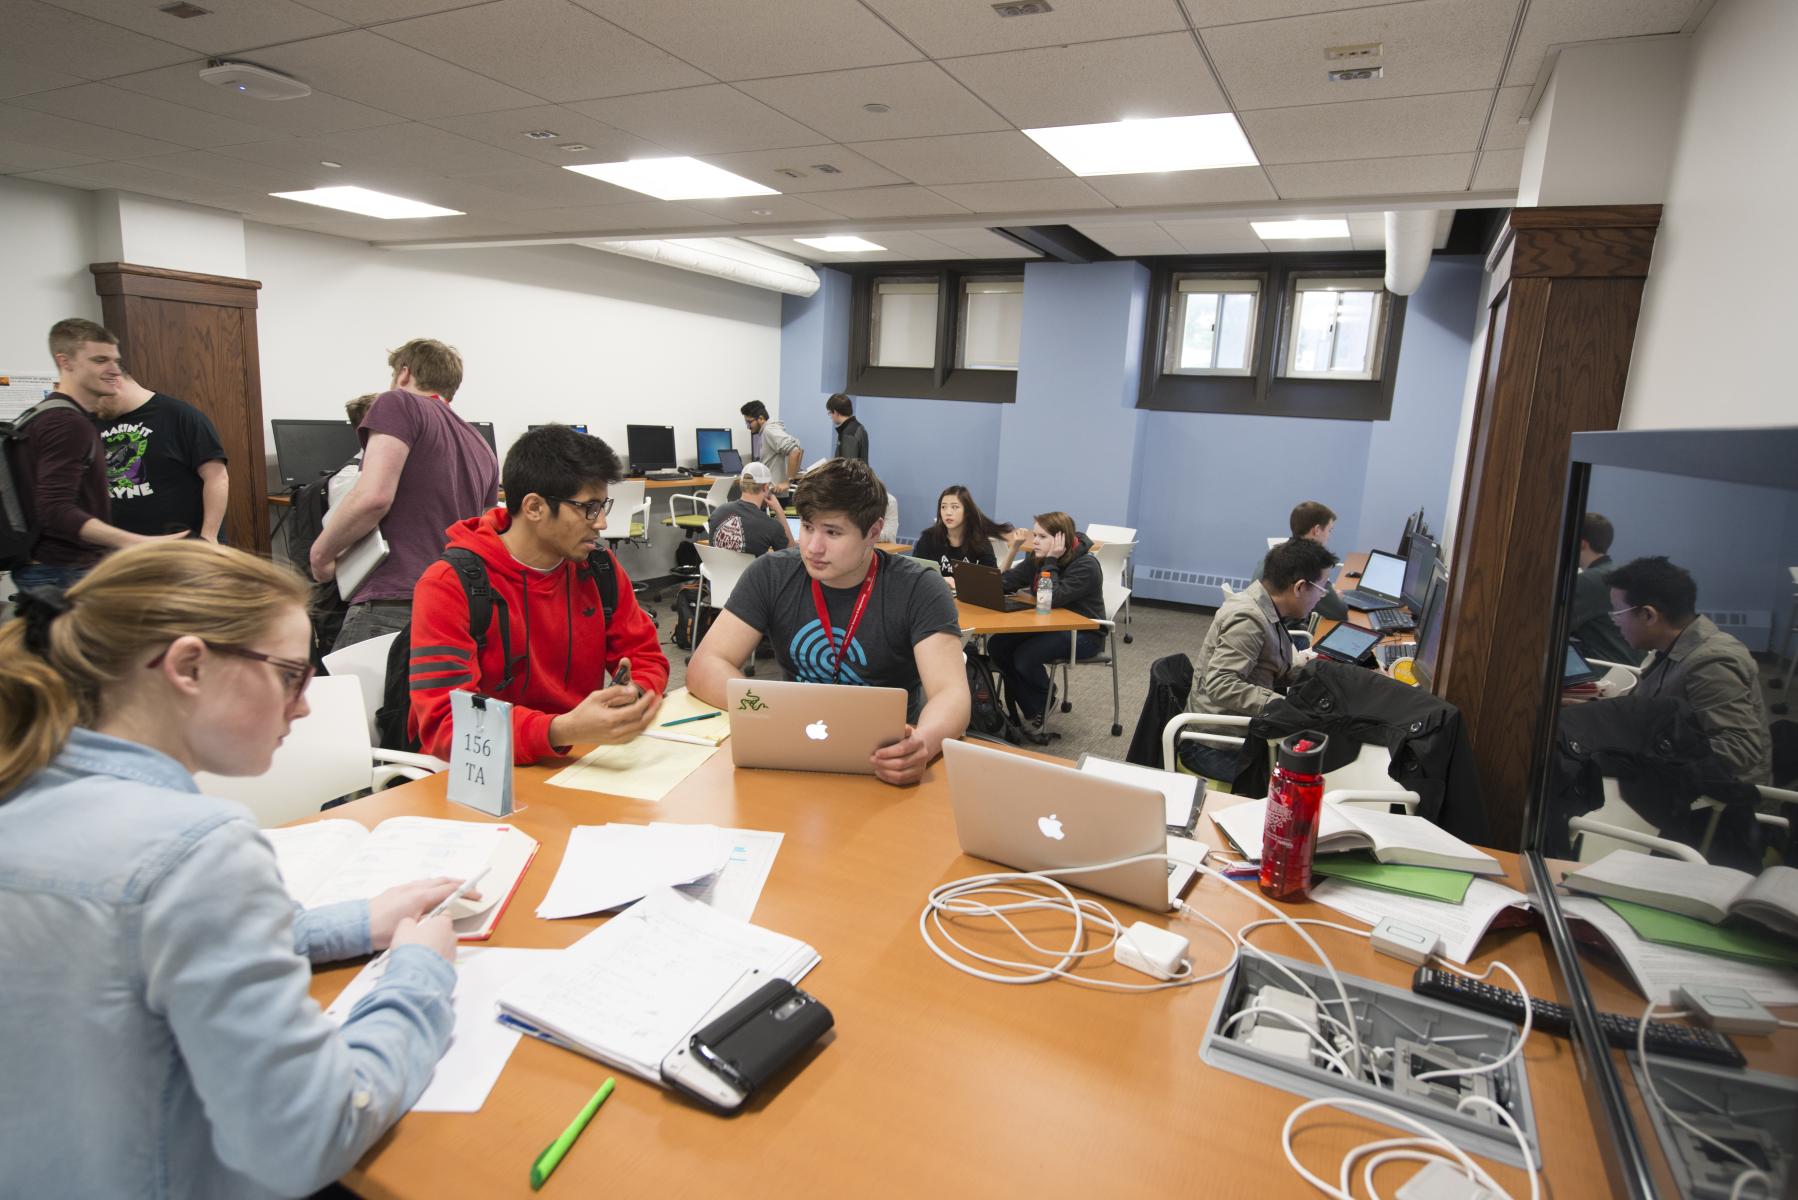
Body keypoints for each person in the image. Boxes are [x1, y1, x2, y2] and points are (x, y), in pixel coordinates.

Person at [0, 541, 464, 1199]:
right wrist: (421, 974)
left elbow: (134, 952)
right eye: (290, 676)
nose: (303, 706)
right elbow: (313, 1134)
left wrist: (359, 921)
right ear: (189, 665)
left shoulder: (25, 783)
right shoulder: (194, 847)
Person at [686, 458, 969, 786]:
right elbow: (706, 665)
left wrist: (923, 743)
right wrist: (770, 711)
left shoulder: (918, 588)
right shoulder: (771, 574)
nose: (813, 547)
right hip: (792, 747)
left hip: (882, 761)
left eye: (832, 532)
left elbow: (951, 693)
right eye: (807, 527)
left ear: (873, 532)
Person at [407, 425, 668, 765]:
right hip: (485, 772)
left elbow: (646, 657)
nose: (602, 523)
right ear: (533, 507)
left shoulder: (599, 569)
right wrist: (559, 730)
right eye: (588, 507)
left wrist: (632, 694)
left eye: (603, 506)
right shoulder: (449, 585)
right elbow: (446, 724)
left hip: (575, 758)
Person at [310, 338, 499, 651]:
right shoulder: (480, 444)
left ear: (404, 374)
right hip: (451, 602)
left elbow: (373, 497)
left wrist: (321, 554)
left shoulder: (397, 403)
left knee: (349, 698)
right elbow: (485, 529)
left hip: (392, 602)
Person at [8, 319, 181, 590]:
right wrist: (136, 542)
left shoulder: (44, 415)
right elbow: (54, 508)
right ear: (66, 362)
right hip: (63, 571)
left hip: (52, 568)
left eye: (115, 360)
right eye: (100, 360)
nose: (114, 370)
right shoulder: (67, 424)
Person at [1183, 537, 1339, 782]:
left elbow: (1275, 665)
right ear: (1299, 588)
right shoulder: (1249, 619)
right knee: (1309, 781)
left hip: (1241, 734)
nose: (1322, 597)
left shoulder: (1269, 609)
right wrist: (1282, 705)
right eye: (1322, 588)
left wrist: (1326, 672)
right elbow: (1221, 684)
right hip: (1216, 746)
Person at [1607, 555, 1772, 786]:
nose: (1615, 622)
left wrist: (1646, 748)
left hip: (1714, 801)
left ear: (1648, 615)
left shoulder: (1711, 662)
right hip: (1678, 778)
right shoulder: (1674, 645)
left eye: (1617, 613)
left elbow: (1740, 748)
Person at [991, 512, 1105, 733]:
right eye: (1035, 535)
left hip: (1083, 633)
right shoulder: (1038, 558)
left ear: (1060, 540)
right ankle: (1035, 706)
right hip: (1048, 626)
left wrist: (1051, 560)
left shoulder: (1085, 566)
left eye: (1042, 537)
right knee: (998, 646)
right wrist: (980, 584)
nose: (1034, 541)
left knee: (1025, 656)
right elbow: (1009, 581)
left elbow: (1051, 598)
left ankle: (1043, 700)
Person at [98, 370, 229, 543]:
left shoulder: (180, 416)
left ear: (114, 381)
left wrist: (209, 537)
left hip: (185, 546)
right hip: (123, 550)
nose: (93, 405)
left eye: (96, 397)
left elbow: (217, 477)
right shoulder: (95, 420)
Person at [1254, 500, 1346, 623]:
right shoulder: (1311, 563)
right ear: (1317, 530)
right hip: (1285, 632)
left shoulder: (1276, 553)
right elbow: (1339, 612)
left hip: (1265, 622)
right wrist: (1334, 597)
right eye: (1329, 530)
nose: (1329, 536)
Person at [1567, 512, 1639, 666]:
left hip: (1603, 671)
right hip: (1627, 668)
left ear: (1582, 544)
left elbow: (1550, 626)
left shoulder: (1588, 582)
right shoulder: (1620, 573)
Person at [911, 484, 1004, 580]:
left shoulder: (979, 540)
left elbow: (991, 578)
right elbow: (915, 573)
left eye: (954, 507)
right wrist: (941, 580)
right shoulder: (929, 537)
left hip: (968, 594)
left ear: (967, 511)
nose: (948, 512)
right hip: (935, 592)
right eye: (943, 507)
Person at [707, 460, 792, 556]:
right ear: (765, 487)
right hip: (752, 571)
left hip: (719, 570)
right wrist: (779, 511)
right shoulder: (771, 526)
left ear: (741, 484)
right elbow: (791, 556)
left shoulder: (717, 513)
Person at [740, 399, 802, 495]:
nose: (748, 426)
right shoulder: (767, 431)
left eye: (749, 422)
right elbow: (799, 450)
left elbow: (795, 451)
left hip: (776, 494)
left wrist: (788, 482)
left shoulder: (769, 431)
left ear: (760, 418)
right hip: (772, 492)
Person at [826, 392, 869, 462]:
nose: (830, 416)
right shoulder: (859, 427)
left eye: (830, 413)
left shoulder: (848, 434)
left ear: (836, 412)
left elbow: (848, 469)